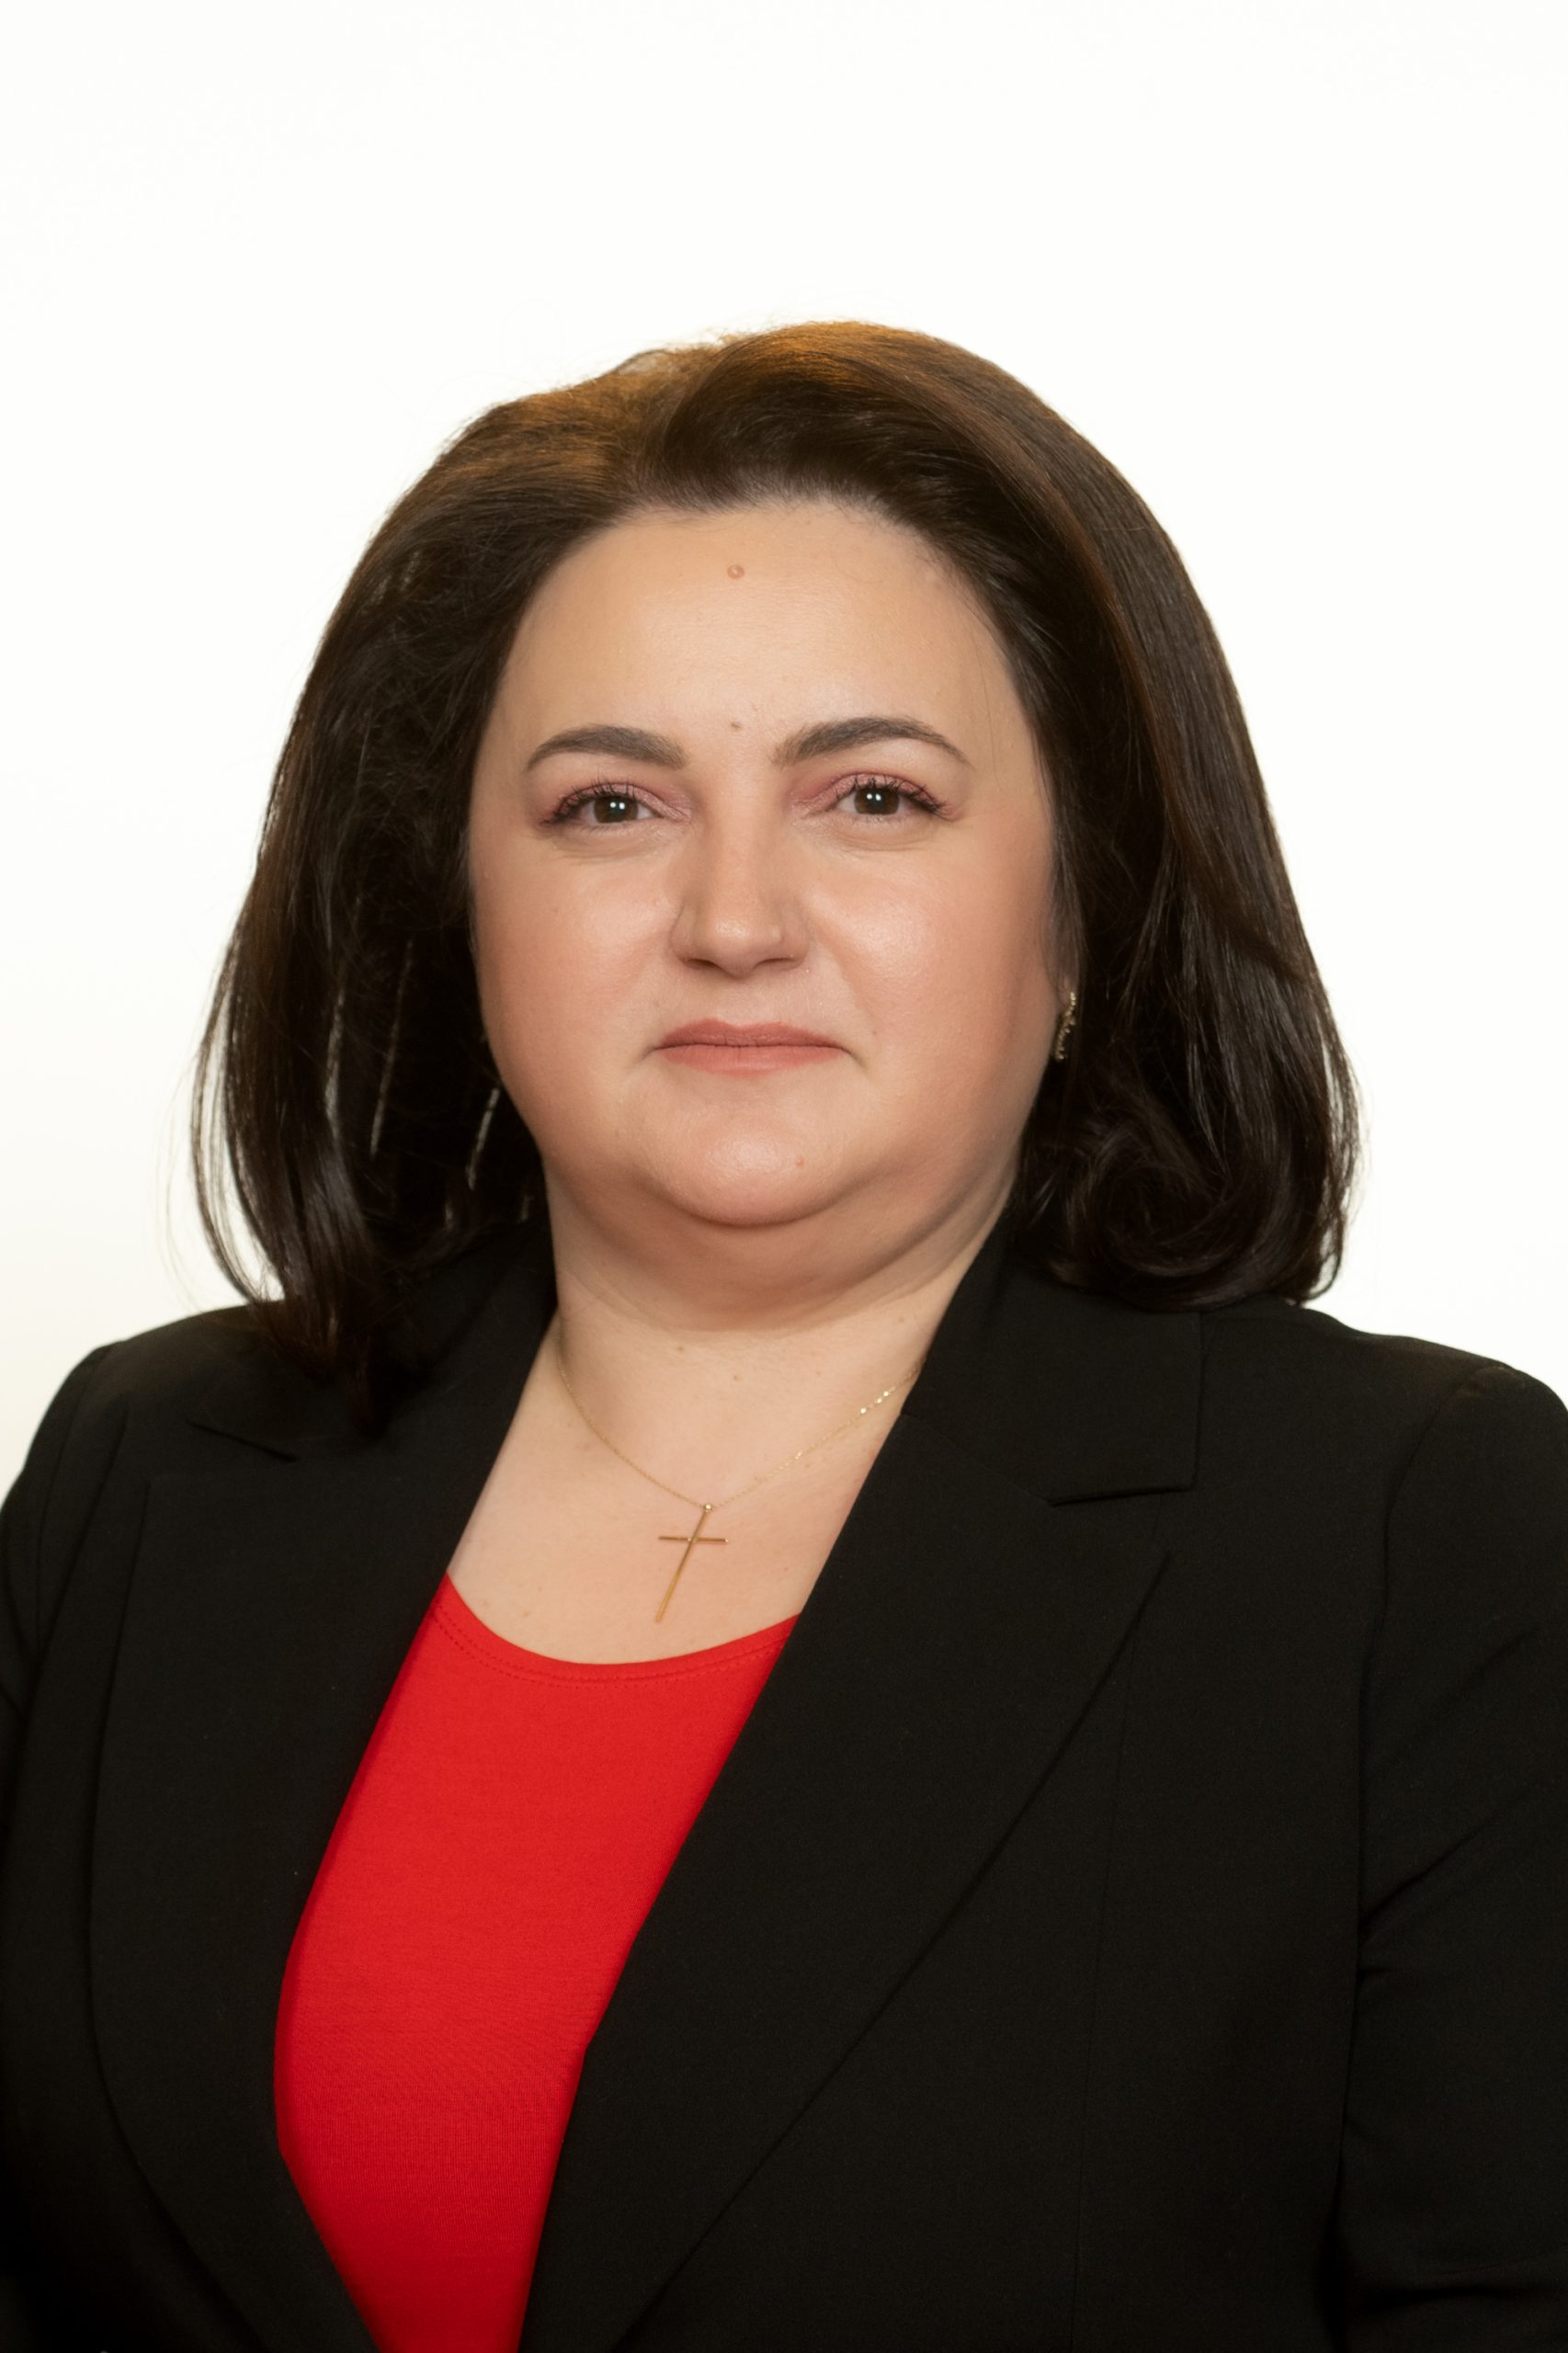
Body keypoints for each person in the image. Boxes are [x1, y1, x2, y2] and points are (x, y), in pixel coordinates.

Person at [2, 320, 1563, 2353]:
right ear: (453, 898)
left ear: (1081, 907)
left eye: (874, 796)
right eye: (607, 806)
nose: (734, 917)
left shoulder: (1419, 1535)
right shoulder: (149, 1465)